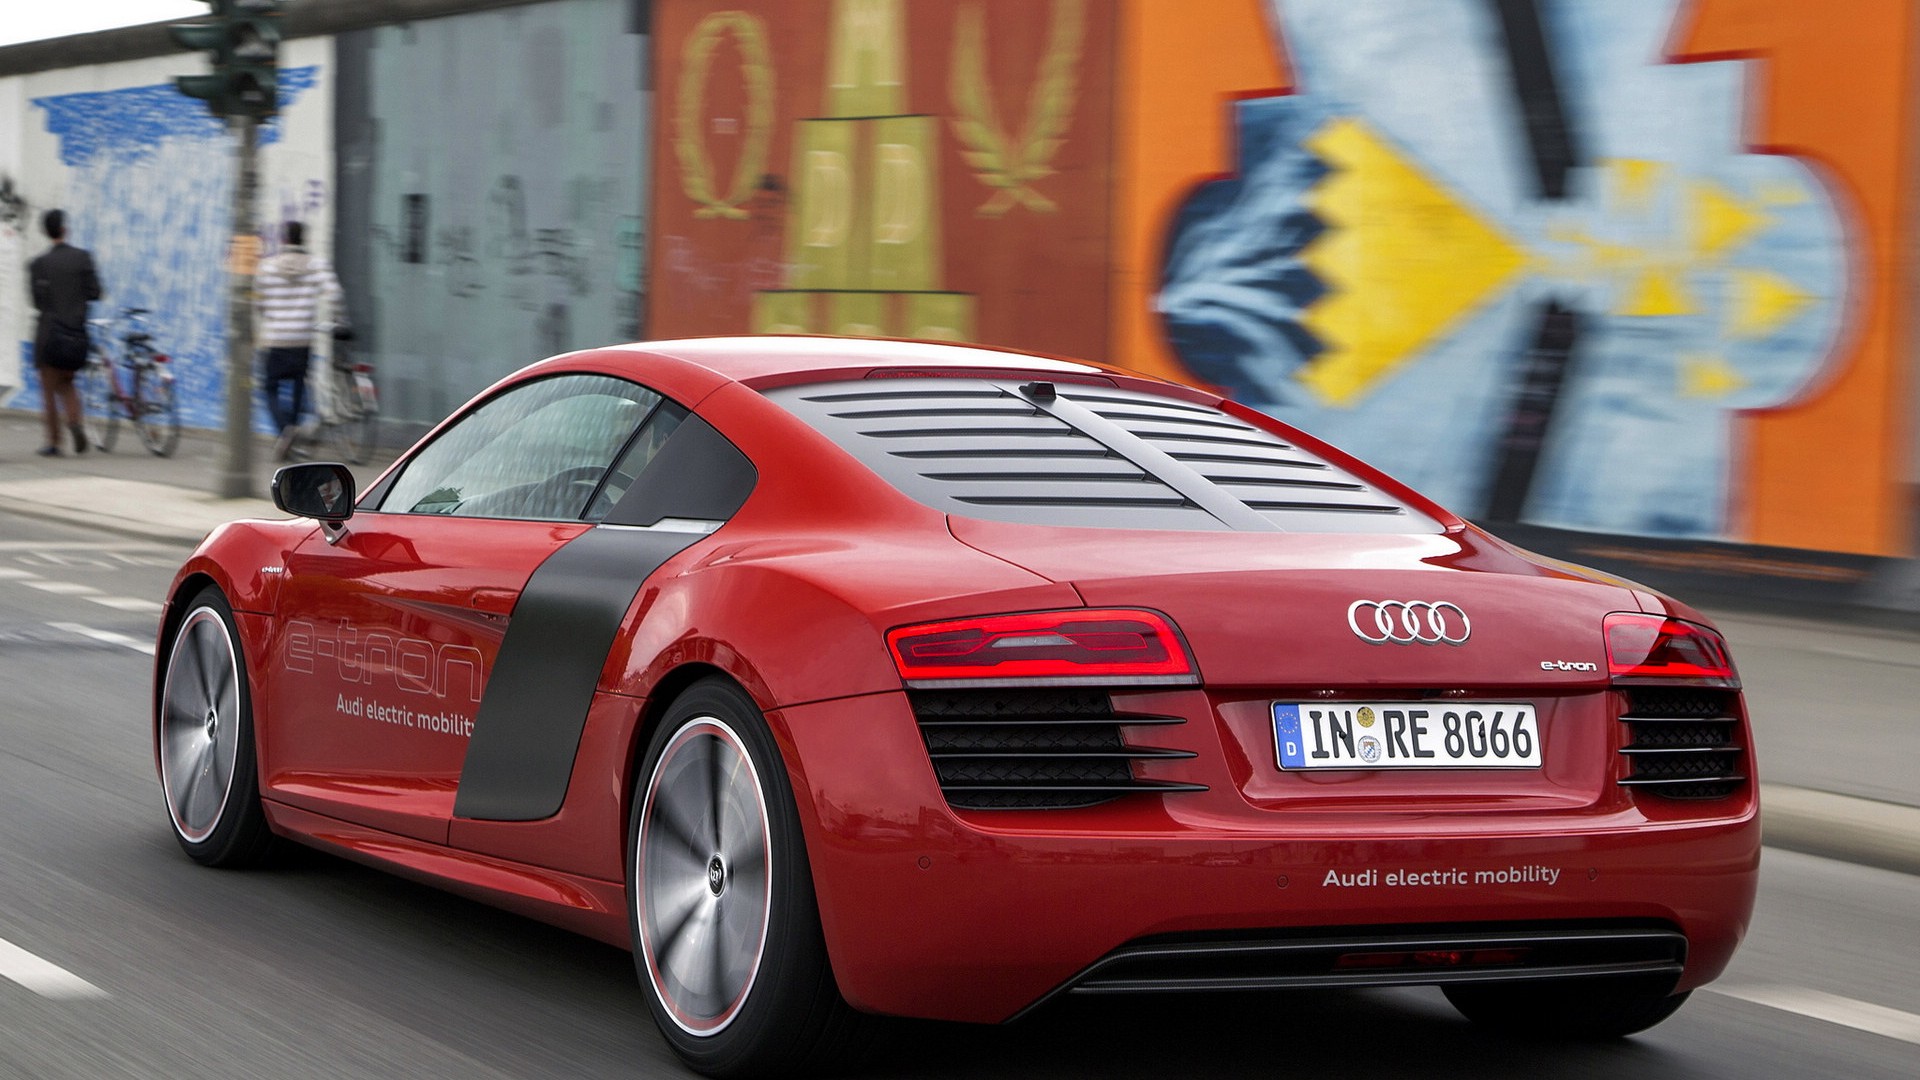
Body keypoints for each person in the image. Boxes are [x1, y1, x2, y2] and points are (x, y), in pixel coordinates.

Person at [255, 220, 348, 461]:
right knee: (299, 385)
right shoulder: (316, 265)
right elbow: (335, 293)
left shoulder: (267, 267)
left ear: (284, 239)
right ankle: (293, 429)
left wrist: (271, 316)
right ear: (303, 239)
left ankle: (284, 430)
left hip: (275, 339)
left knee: (269, 388)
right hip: (302, 340)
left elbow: (259, 303)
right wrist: (339, 319)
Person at [28, 209, 103, 457]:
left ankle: (54, 442)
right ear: (64, 229)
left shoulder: (39, 264)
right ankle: (75, 421)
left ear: (46, 232)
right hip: (76, 335)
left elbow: (36, 302)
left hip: (50, 335)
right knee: (67, 383)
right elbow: (95, 292)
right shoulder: (83, 258)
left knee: (49, 389)